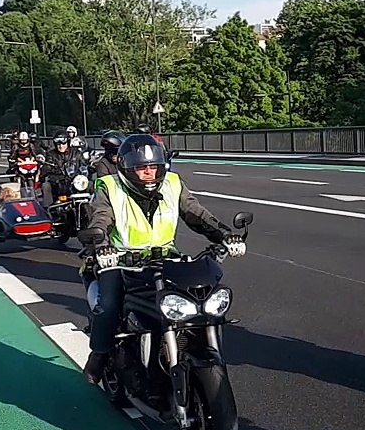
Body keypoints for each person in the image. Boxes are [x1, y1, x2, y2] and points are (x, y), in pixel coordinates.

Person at [80, 134, 246, 384]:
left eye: (153, 167)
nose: (148, 173)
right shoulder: (109, 187)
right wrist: (101, 245)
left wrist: (225, 235)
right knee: (110, 306)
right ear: (127, 168)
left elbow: (197, 215)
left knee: (199, 295)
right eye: (141, 168)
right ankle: (99, 356)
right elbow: (101, 218)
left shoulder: (172, 184)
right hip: (120, 260)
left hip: (166, 259)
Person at [40, 131, 82, 206]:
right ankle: (48, 210)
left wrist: (88, 169)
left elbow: (83, 166)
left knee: (90, 185)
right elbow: (46, 170)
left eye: (63, 144)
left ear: (68, 143)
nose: (61, 146)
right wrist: (56, 177)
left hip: (74, 183)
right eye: (58, 144)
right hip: (58, 184)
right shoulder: (51, 154)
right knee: (46, 186)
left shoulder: (76, 153)